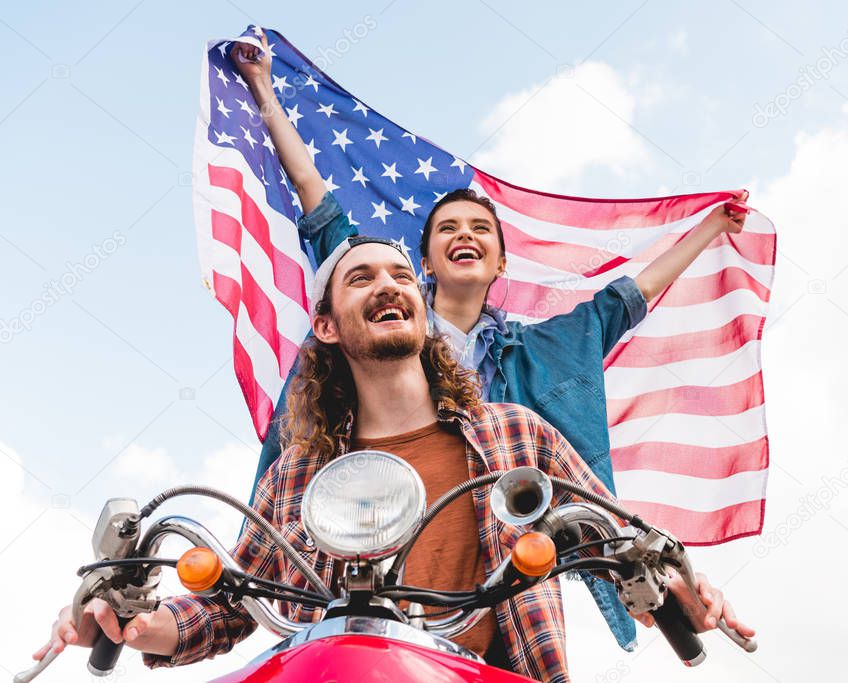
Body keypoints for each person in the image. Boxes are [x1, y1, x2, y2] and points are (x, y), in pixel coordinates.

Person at [232, 31, 749, 650]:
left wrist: (709, 228)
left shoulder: (523, 398)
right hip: (361, 574)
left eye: (480, 227)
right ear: (423, 260)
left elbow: (624, 302)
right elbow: (320, 205)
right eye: (447, 227)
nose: (463, 234)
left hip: (487, 585)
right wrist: (264, 90)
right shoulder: (361, 354)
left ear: (500, 264)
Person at [35, 237, 755, 682]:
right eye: (360, 278)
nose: (388, 284)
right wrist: (137, 619)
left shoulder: (513, 436)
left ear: (419, 302)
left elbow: (611, 540)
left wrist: (679, 586)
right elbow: (230, 601)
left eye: (400, 274)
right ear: (326, 324)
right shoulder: (297, 471)